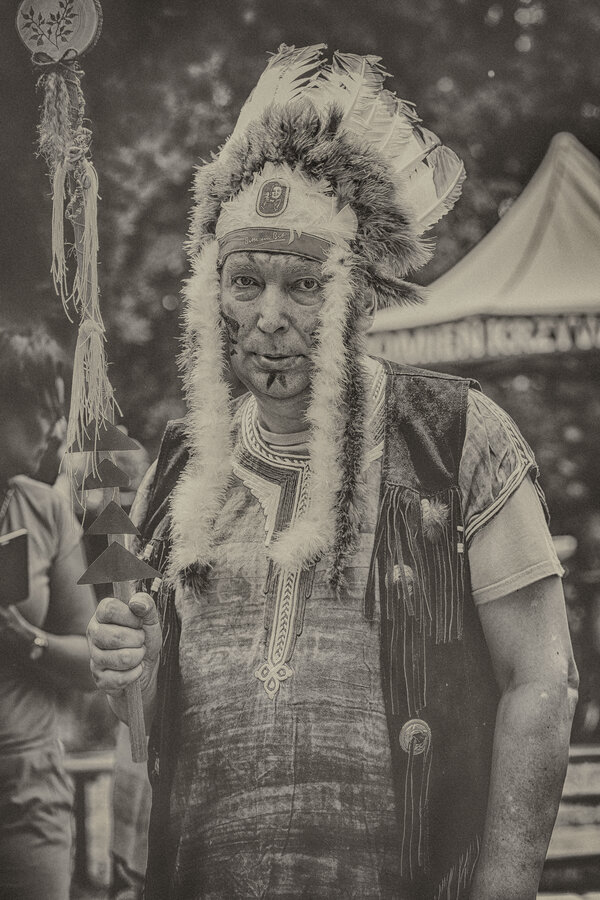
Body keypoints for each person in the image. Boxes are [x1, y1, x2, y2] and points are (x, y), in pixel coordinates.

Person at [87, 46, 579, 900]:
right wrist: (137, 666)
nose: (270, 318)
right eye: (246, 282)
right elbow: (144, 729)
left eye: (305, 285)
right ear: (211, 294)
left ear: (358, 294)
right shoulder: (179, 466)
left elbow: (541, 681)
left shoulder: (459, 437)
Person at [0, 327, 96, 900]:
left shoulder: (47, 511)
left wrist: (26, 639)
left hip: (28, 792)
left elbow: (90, 662)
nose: (58, 430)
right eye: (45, 411)